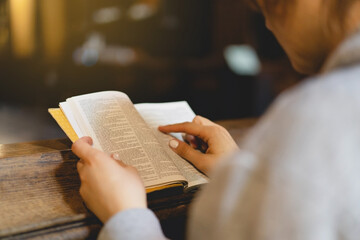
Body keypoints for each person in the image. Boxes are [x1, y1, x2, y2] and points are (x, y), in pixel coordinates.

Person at [72, 0, 360, 239]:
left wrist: (125, 215)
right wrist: (238, 174)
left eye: (262, 7)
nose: (270, 25)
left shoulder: (312, 123)